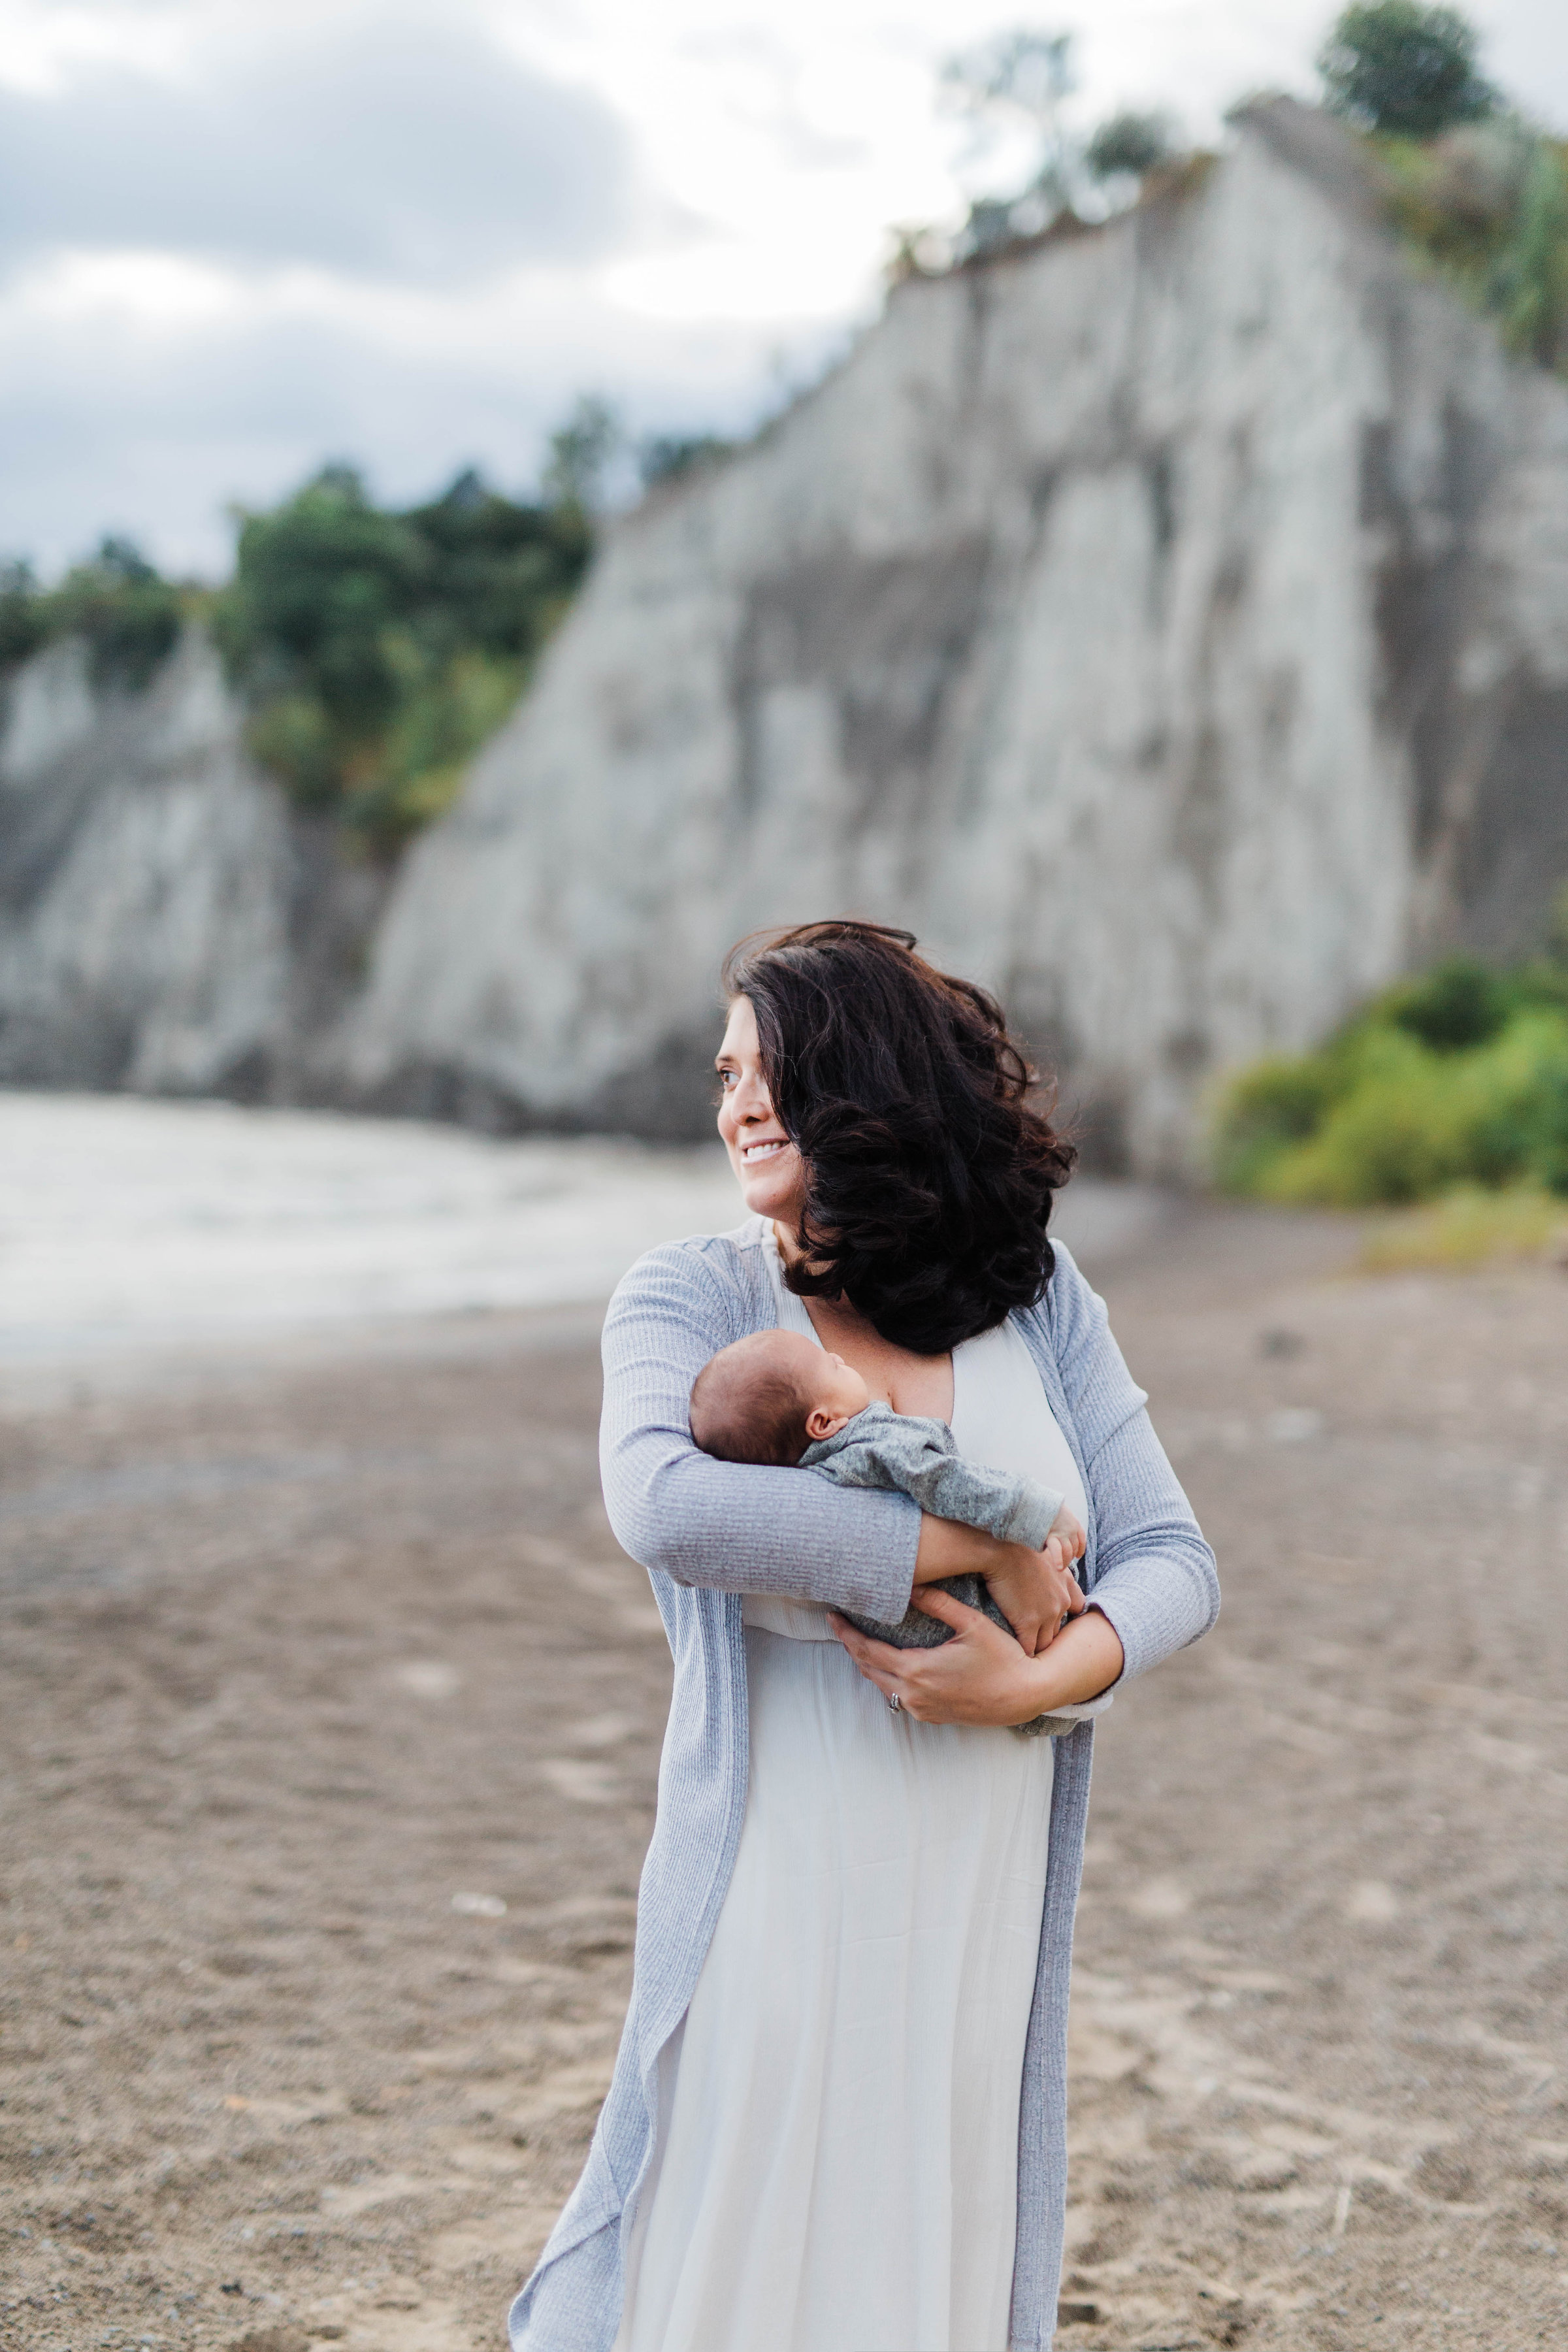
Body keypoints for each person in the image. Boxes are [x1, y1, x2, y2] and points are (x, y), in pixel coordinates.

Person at [508, 920, 1218, 2352]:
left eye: (776, 1069)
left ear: (874, 1082)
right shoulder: (693, 1294)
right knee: (744, 2232)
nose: (738, 1104)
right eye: (725, 1076)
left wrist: (1034, 1676)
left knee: (931, 2238)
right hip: (780, 1871)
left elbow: (1175, 1563)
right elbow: (665, 1507)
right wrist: (989, 1542)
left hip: (979, 1886)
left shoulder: (1037, 1296)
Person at [688, 1326, 1094, 1737]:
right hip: (968, 1613)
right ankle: (1047, 1701)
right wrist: (1037, 1513)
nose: (840, 1358)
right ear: (823, 1422)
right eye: (829, 1365)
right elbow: (948, 1481)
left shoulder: (809, 1477)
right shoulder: (870, 1446)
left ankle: (1044, 1704)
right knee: (1058, 1605)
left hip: (914, 1641)